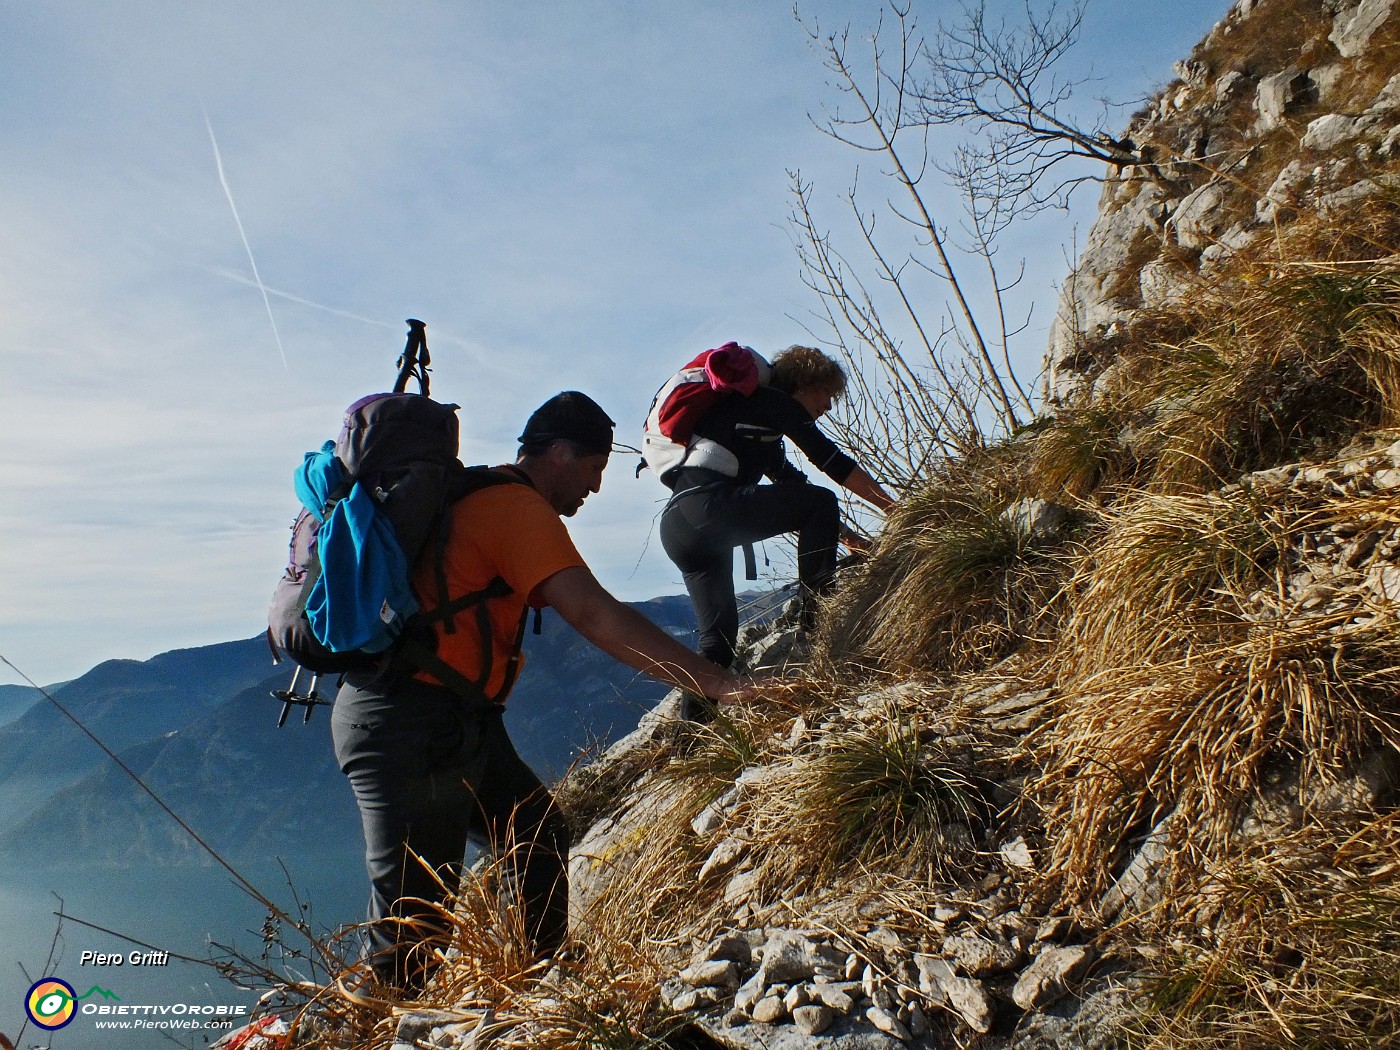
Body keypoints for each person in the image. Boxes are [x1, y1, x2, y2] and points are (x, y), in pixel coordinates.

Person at [331, 391, 744, 989]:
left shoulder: (481, 496)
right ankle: (393, 1021)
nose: (595, 489)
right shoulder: (513, 509)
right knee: (414, 923)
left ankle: (540, 985)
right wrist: (715, 681)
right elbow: (596, 616)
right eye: (594, 469)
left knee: (536, 834)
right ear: (558, 453)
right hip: (409, 722)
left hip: (444, 718)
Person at [659, 345, 895, 671]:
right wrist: (895, 510)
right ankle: (819, 621)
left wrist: (854, 542)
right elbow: (831, 462)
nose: (827, 405)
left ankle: (695, 719)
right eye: (825, 394)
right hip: (709, 509)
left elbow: (794, 489)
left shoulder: (755, 425)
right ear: (802, 385)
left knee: (719, 645)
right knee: (822, 499)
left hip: (679, 529)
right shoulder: (774, 403)